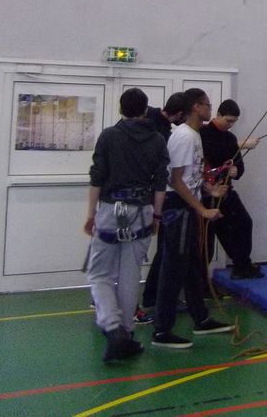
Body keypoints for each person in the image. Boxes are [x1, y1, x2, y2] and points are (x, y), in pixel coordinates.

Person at [84, 88, 169, 362]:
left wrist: (91, 213)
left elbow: (98, 175)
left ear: (121, 109)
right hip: (142, 211)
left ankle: (112, 327)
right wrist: (156, 217)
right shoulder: (157, 140)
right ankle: (127, 332)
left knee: (99, 274)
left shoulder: (109, 136)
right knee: (131, 273)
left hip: (111, 208)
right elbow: (160, 182)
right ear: (145, 109)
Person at [152, 88, 234, 349]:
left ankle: (201, 318)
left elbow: (191, 176)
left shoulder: (194, 136)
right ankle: (162, 330)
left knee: (192, 265)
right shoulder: (184, 137)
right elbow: (175, 180)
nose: (211, 109)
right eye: (208, 105)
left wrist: (210, 190)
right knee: (173, 267)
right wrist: (202, 209)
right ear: (197, 107)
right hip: (178, 208)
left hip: (187, 204)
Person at [138, 91, 187, 322]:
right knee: (136, 254)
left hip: (152, 198)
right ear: (179, 113)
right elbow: (159, 170)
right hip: (146, 199)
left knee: (162, 250)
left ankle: (150, 297)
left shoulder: (164, 128)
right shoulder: (151, 127)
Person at [201, 99, 263, 280]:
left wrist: (236, 171)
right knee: (209, 238)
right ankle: (202, 281)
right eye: (228, 120)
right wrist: (239, 147)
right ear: (218, 115)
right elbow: (211, 155)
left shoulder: (230, 138)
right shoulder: (203, 134)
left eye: (234, 122)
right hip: (206, 192)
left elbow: (239, 165)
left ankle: (241, 265)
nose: (230, 125)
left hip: (226, 191)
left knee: (244, 222)